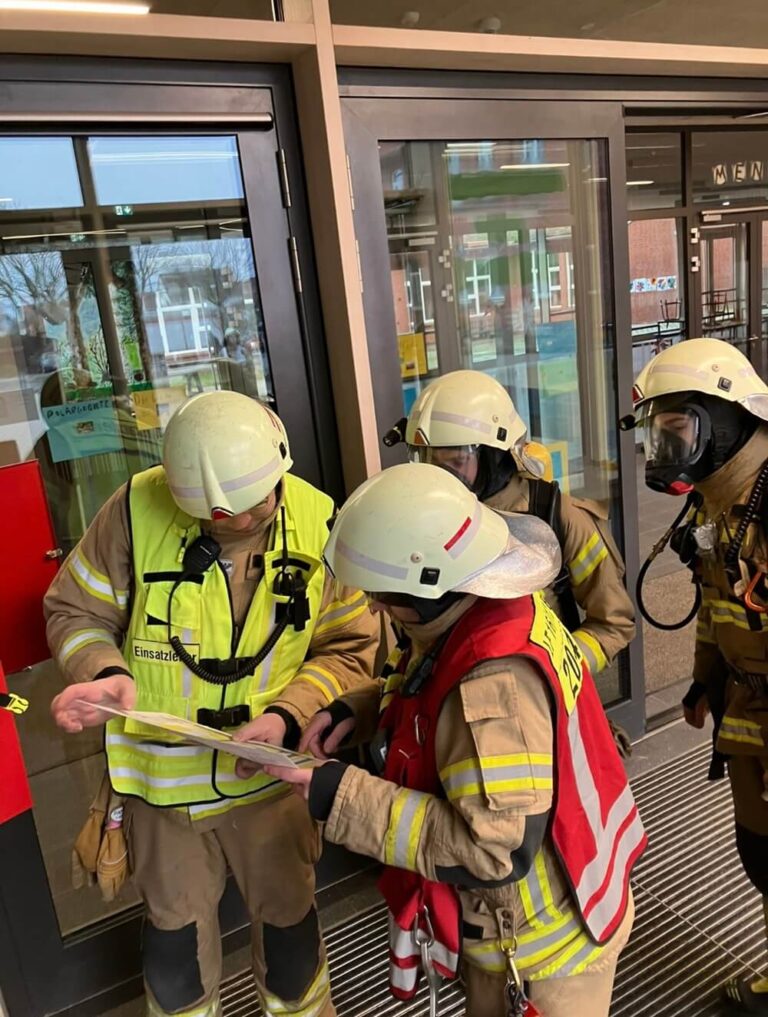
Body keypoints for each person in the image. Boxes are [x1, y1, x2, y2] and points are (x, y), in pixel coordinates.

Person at [247, 462, 644, 1017]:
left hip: (541, 952)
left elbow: (490, 849)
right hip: (565, 898)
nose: (375, 608)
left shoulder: (494, 682)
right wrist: (354, 710)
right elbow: (429, 684)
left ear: (431, 582)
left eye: (383, 593)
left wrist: (338, 795)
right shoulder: (490, 608)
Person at [47, 390, 378, 1017]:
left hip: (271, 784)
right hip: (162, 794)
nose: (237, 523)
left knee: (292, 950)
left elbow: (352, 645)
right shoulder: (134, 512)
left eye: (253, 511)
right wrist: (104, 670)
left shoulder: (318, 521)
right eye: (216, 520)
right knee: (174, 964)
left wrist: (288, 715)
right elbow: (74, 611)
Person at [385, 369, 636, 752]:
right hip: (451, 714)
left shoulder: (555, 515)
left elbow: (614, 622)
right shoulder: (427, 524)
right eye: (426, 460)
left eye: (455, 461)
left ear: (494, 456)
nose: (439, 478)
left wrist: (550, 671)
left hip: (542, 714)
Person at [629, 336, 768, 1014]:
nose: (663, 451)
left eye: (676, 431)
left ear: (726, 419)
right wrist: (702, 682)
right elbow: (717, 609)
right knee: (760, 853)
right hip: (744, 707)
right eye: (659, 434)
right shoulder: (717, 503)